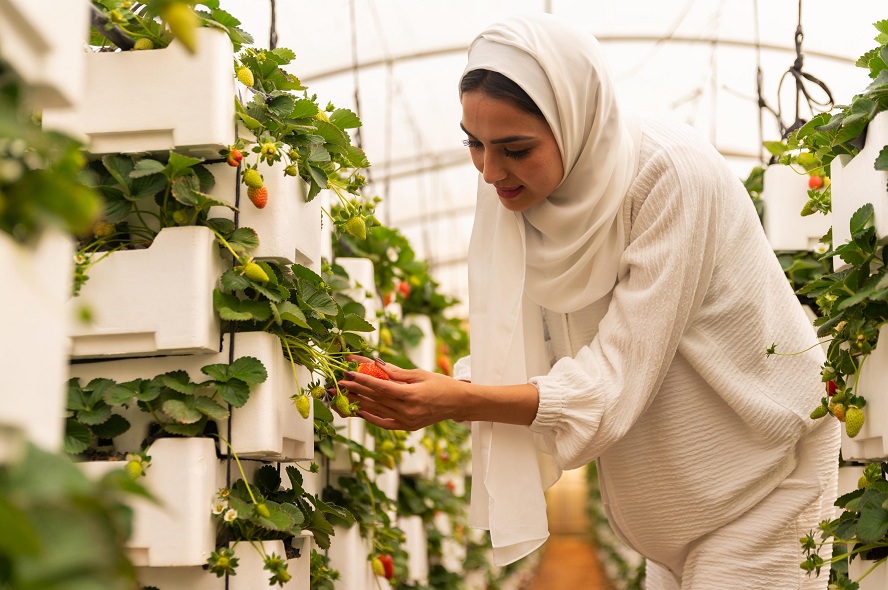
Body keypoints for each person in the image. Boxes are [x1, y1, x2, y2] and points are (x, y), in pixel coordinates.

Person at [336, 12, 839, 589]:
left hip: (764, 483)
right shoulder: (528, 199)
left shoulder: (671, 179)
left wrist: (459, 401)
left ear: (575, 124)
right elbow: (542, 358)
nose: (490, 170)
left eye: (516, 148)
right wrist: (436, 392)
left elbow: (615, 377)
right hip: (679, 503)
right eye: (474, 143)